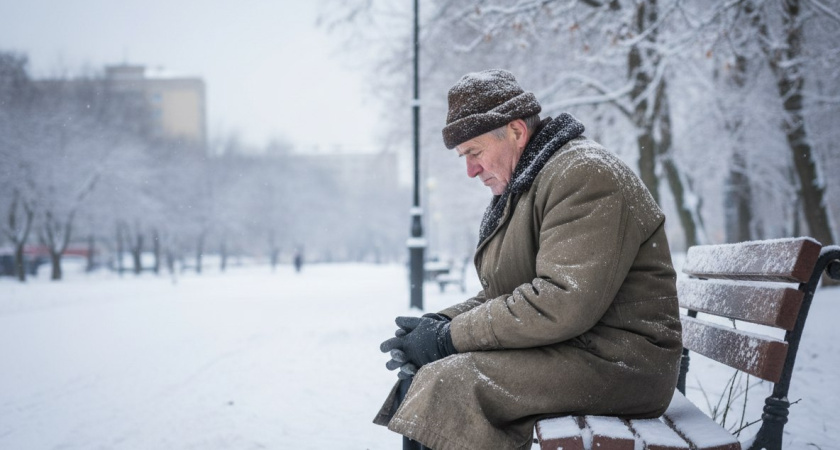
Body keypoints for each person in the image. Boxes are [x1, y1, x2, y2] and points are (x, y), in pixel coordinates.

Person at [374, 69, 682, 450]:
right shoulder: (530, 185)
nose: (470, 171)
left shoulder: (584, 175)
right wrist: (441, 324)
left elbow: (561, 301)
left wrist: (448, 339)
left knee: (454, 383)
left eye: (475, 152)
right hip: (579, 349)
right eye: (463, 157)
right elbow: (508, 292)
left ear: (517, 132)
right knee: (432, 373)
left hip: (623, 364)